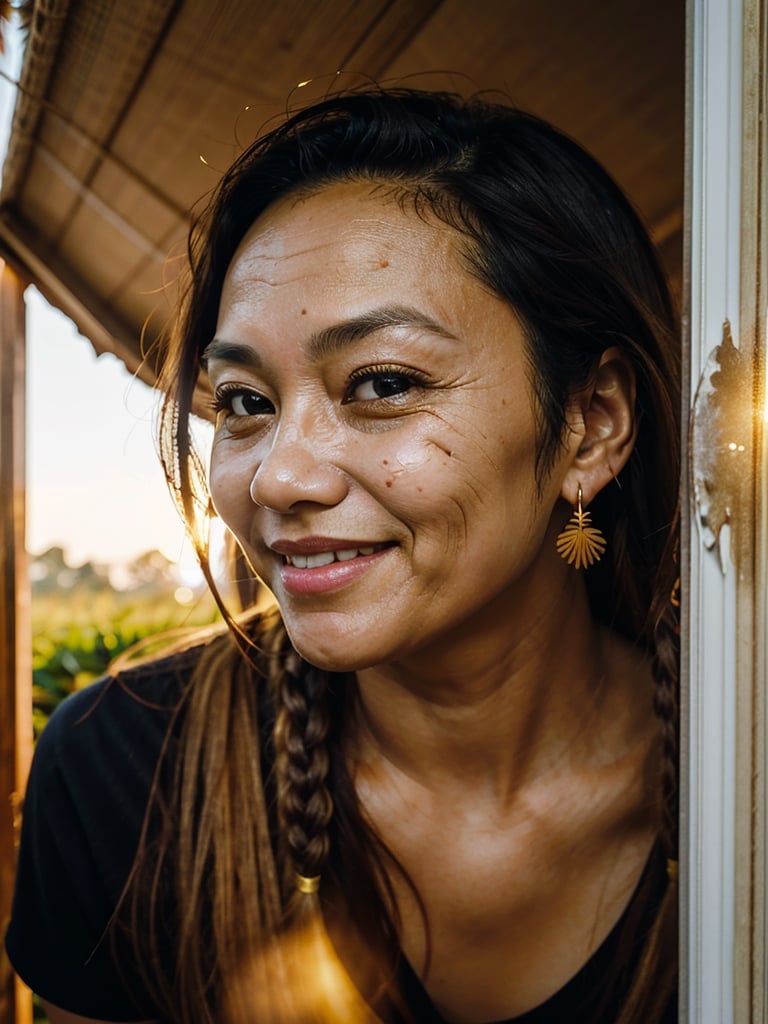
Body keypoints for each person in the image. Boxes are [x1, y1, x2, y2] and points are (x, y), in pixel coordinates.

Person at [5, 86, 680, 1024]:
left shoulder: (736, 781)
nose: (279, 477)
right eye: (243, 400)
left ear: (591, 425)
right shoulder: (122, 774)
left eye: (383, 383)